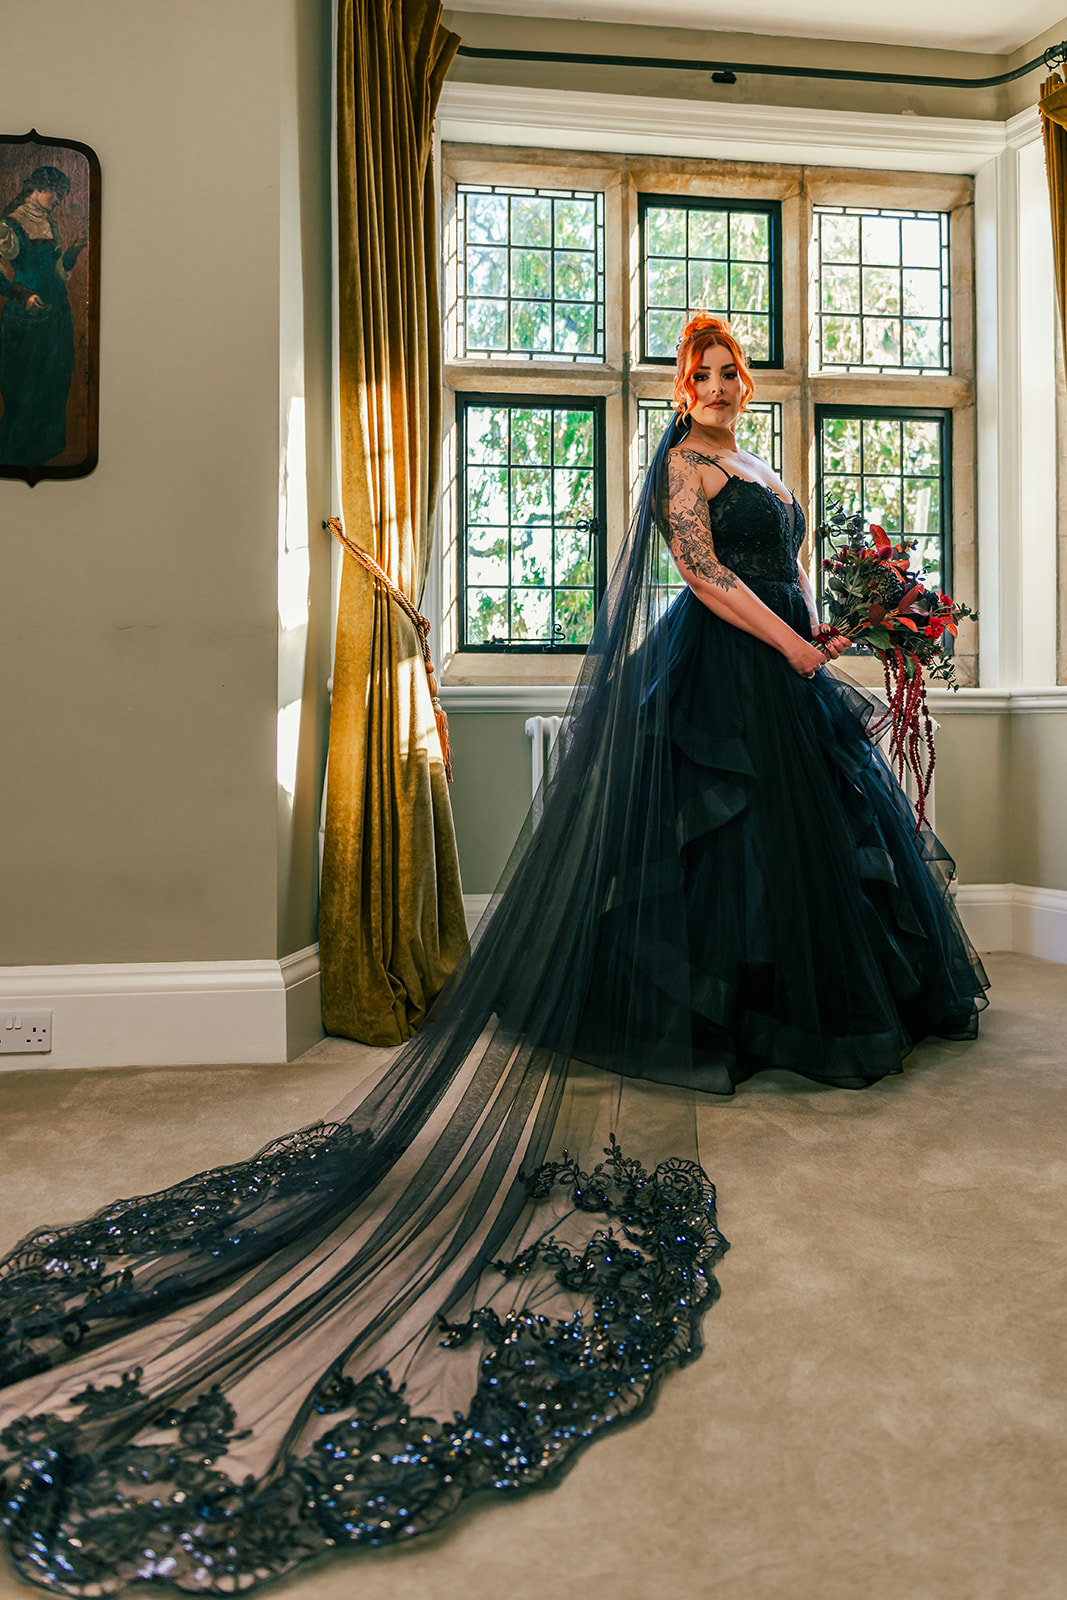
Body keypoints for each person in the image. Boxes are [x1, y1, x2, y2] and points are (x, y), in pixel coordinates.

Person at [0, 316, 987, 1595]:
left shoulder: (774, 467)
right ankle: (731, 1026)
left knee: (807, 866)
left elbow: (791, 570)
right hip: (728, 669)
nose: (718, 385)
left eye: (731, 368)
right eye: (699, 372)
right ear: (677, 388)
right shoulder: (682, 470)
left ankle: (791, 1015)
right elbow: (700, 581)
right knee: (713, 856)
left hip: (790, 670)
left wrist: (840, 626)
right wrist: (793, 645)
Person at [0, 166, 87, 467]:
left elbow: (59, 272)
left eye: (63, 195)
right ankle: (18, 454)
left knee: (55, 379)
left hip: (57, 317)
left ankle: (46, 449)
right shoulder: (9, 225)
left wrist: (75, 250)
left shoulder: (51, 224)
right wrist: (22, 296)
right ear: (36, 188)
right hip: (25, 321)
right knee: (24, 387)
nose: (59, 200)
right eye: (55, 193)